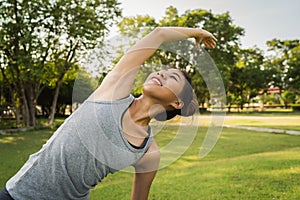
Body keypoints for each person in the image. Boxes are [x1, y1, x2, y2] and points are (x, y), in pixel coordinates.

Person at [0, 27, 217, 200]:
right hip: (20, 193)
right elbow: (158, 34)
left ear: (177, 102)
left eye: (173, 77)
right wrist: (195, 32)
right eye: (163, 70)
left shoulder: (149, 152)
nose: (161, 72)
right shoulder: (115, 91)